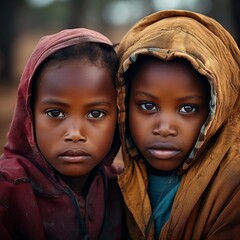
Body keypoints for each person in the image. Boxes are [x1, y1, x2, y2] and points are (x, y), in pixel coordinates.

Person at [116, 9, 240, 240]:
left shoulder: (232, 187)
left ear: (218, 111)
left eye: (187, 109)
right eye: (147, 106)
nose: (164, 128)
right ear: (122, 103)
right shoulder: (107, 180)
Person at [0, 28, 125, 239]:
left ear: (119, 115)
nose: (75, 134)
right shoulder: (7, 193)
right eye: (55, 113)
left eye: (96, 113)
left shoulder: (122, 187)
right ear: (29, 114)